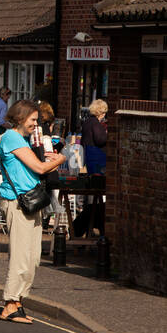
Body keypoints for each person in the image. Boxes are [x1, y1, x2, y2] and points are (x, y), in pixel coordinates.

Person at [0, 100, 65, 323]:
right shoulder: (11, 138)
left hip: (32, 201)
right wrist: (61, 160)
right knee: (20, 255)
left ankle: (18, 300)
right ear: (20, 117)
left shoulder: (23, 139)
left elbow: (34, 168)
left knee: (33, 255)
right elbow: (39, 167)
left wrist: (49, 158)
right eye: (33, 120)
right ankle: (9, 303)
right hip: (18, 203)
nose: (36, 125)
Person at [75, 98, 109, 236]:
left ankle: (86, 229)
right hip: (97, 161)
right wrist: (107, 134)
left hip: (89, 160)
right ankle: (93, 229)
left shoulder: (87, 122)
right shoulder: (95, 123)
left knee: (91, 198)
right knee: (96, 197)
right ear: (101, 112)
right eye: (104, 112)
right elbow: (101, 140)